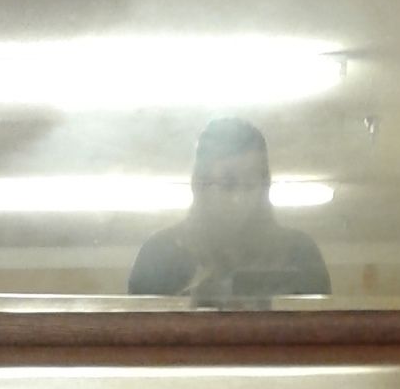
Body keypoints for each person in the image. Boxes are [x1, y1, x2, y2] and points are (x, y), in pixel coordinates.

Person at [128, 118, 331, 300]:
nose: (238, 197)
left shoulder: (299, 253)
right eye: (228, 183)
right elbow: (139, 328)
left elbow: (321, 326)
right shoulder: (159, 255)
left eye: (250, 183)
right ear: (201, 185)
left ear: (264, 185)